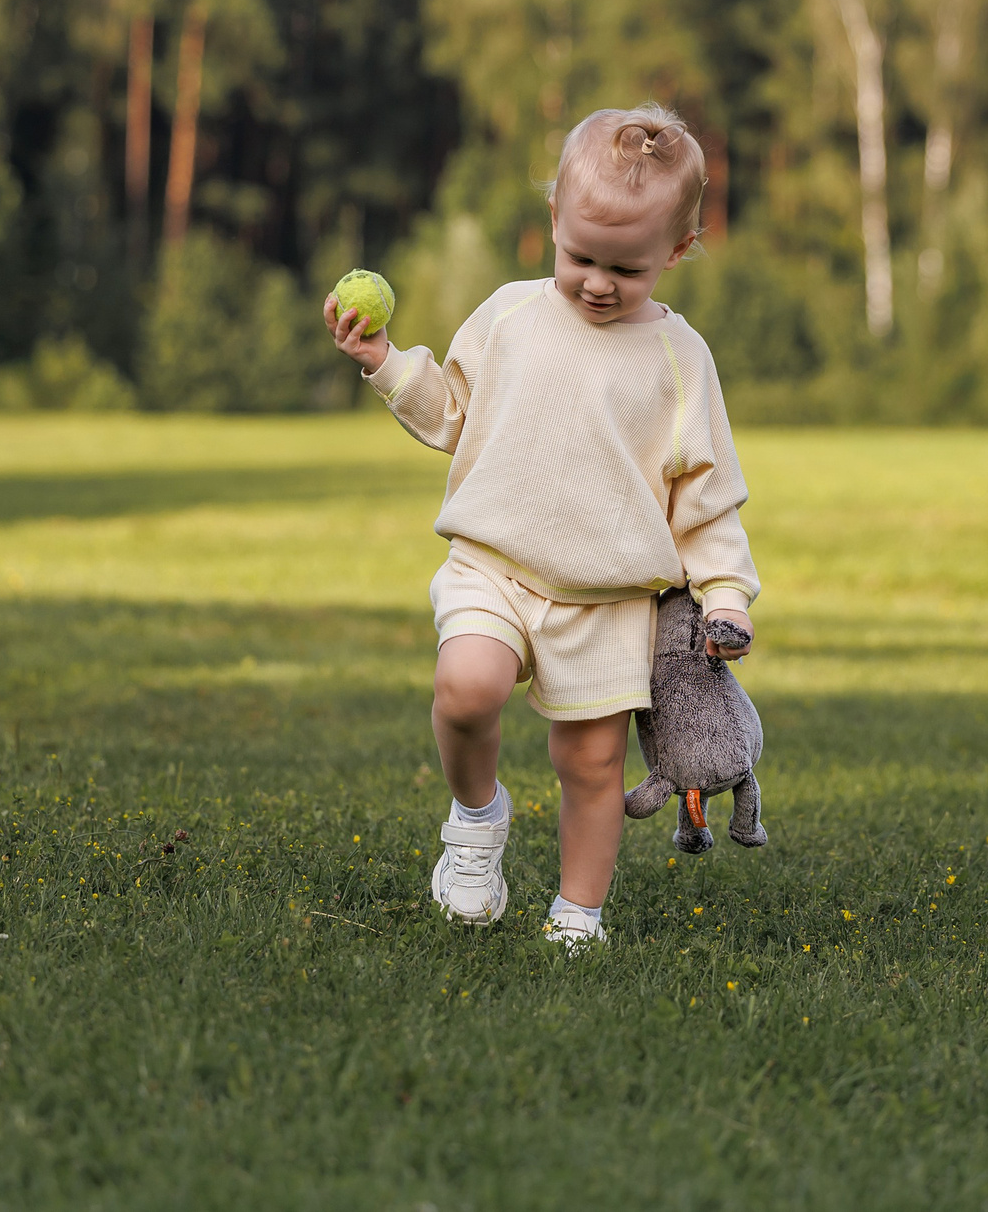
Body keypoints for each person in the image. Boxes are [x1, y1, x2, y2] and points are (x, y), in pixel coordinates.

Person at [322, 104, 758, 951]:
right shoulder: (510, 317)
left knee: (590, 767)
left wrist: (726, 594)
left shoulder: (680, 360)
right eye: (580, 255)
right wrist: (385, 364)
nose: (597, 281)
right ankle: (477, 818)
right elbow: (451, 411)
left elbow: (706, 497)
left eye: (626, 267)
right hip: (495, 564)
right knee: (466, 687)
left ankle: (577, 916)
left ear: (676, 250)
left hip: (607, 600)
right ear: (553, 217)